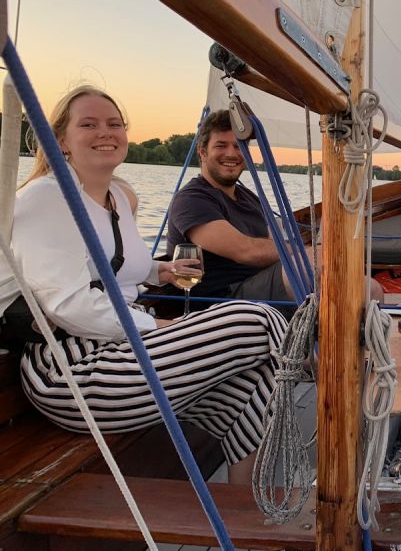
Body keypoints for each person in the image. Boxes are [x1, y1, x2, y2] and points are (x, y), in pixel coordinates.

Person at [0, 86, 286, 483]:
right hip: (73, 371)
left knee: (257, 386)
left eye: (114, 124)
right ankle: (335, 396)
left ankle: (248, 513)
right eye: (90, 124)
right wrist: (160, 327)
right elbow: (68, 305)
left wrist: (159, 272)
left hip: (123, 351)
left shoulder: (116, 196)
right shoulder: (48, 198)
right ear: (60, 139)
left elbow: (114, 262)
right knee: (256, 320)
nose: (106, 132)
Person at [167, 109, 383, 306]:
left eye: (238, 146)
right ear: (203, 152)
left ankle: (344, 345)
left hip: (258, 285)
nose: (232, 154)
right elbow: (247, 251)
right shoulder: (191, 200)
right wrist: (311, 253)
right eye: (221, 145)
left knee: (371, 290)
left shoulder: (247, 198)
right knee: (313, 261)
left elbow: (271, 243)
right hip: (222, 299)